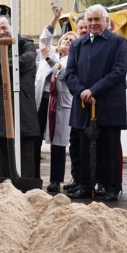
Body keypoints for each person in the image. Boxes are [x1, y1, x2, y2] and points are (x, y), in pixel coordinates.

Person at [64, 5, 127, 202]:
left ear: (106, 21)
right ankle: (85, 185)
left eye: (96, 20)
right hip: (83, 105)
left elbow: (118, 71)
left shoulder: (119, 42)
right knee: (83, 149)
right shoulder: (78, 45)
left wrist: (94, 91)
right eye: (89, 20)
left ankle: (110, 187)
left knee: (108, 149)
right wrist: (82, 92)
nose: (92, 24)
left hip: (108, 104)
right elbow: (70, 73)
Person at [0, 16, 40, 182]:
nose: (1, 32)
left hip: (23, 106)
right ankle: (6, 184)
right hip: (1, 107)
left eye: (4, 27)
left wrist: (1, 63)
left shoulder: (25, 44)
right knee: (1, 149)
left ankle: (25, 184)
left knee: (25, 150)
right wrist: (11, 69)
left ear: (12, 26)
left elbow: (26, 62)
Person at [42, 30, 77, 194]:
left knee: (60, 144)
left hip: (63, 104)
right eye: (66, 38)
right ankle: (51, 178)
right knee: (53, 142)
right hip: (50, 102)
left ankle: (56, 180)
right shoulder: (57, 58)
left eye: (72, 40)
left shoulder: (72, 60)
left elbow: (62, 73)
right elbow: (45, 41)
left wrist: (48, 59)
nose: (68, 41)